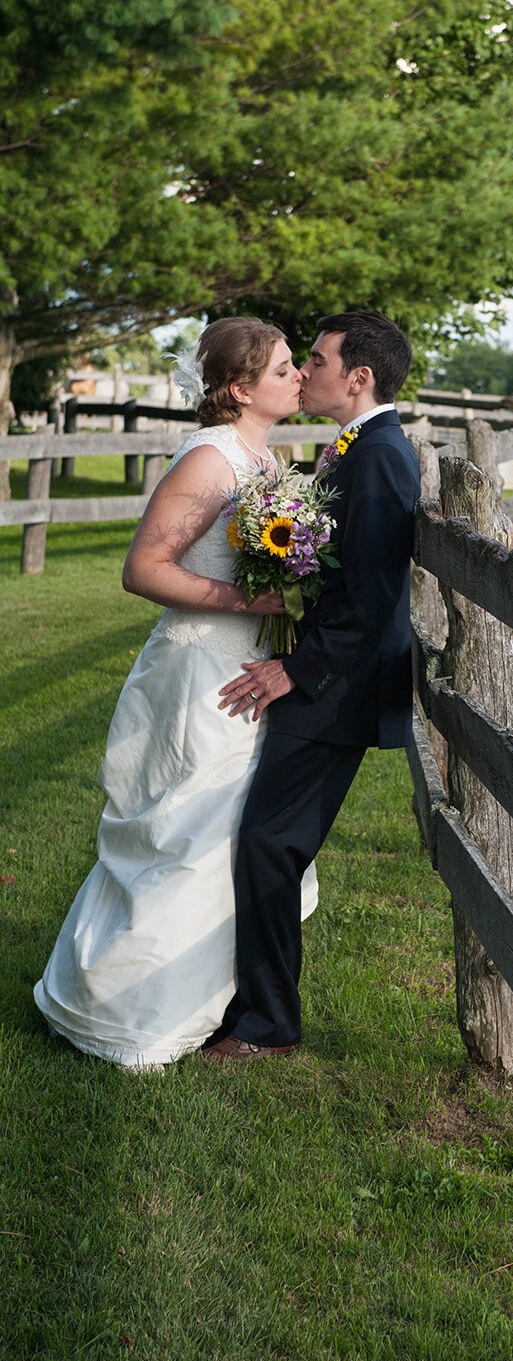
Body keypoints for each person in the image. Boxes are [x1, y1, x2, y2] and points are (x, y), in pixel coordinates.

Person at [34, 318, 319, 1068]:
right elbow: (144, 569)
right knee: (185, 831)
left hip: (249, 667)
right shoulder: (210, 458)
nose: (298, 376)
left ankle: (209, 998)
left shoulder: (264, 454)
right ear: (237, 389)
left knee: (228, 834)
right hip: (203, 671)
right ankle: (129, 1013)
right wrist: (247, 603)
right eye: (285, 368)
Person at [202, 309, 420, 1063]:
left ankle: (266, 1024)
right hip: (329, 676)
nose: (307, 372)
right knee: (267, 837)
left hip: (339, 687)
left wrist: (296, 670)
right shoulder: (355, 450)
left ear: (358, 377)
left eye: (318, 360)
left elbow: (375, 590)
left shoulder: (382, 456)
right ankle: (252, 1007)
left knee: (270, 840)